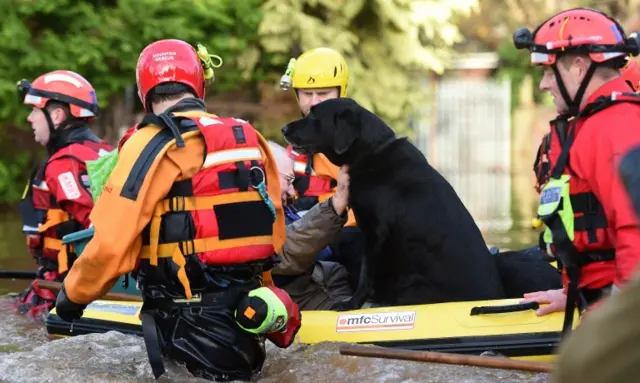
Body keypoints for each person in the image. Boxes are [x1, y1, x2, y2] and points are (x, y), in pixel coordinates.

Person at [52, 39, 301, 382]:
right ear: (198, 83)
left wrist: (72, 298)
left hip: (186, 322)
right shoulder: (249, 137)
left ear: (145, 91)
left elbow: (110, 243)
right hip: (250, 313)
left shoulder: (151, 142)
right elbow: (273, 232)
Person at [513, 8, 640, 329]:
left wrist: (616, 320)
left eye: (548, 72)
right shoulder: (599, 124)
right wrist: (575, 293)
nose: (543, 85)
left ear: (579, 69)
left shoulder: (614, 128)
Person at [15, 70, 114, 318]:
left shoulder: (63, 164)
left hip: (63, 286)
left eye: (35, 111)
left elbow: (99, 224)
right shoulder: (104, 151)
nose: (30, 119)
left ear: (57, 115)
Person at [280, 47, 365, 289]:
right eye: (307, 93)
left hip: (351, 240)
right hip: (308, 241)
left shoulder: (355, 140)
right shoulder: (295, 146)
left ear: (341, 92)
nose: (314, 102)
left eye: (323, 93)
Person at [267, 141, 353, 310]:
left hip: (329, 286)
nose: (293, 191)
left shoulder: (278, 209)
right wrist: (337, 202)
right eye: (289, 180)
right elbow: (283, 253)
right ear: (266, 175)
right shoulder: (248, 219)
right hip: (312, 302)